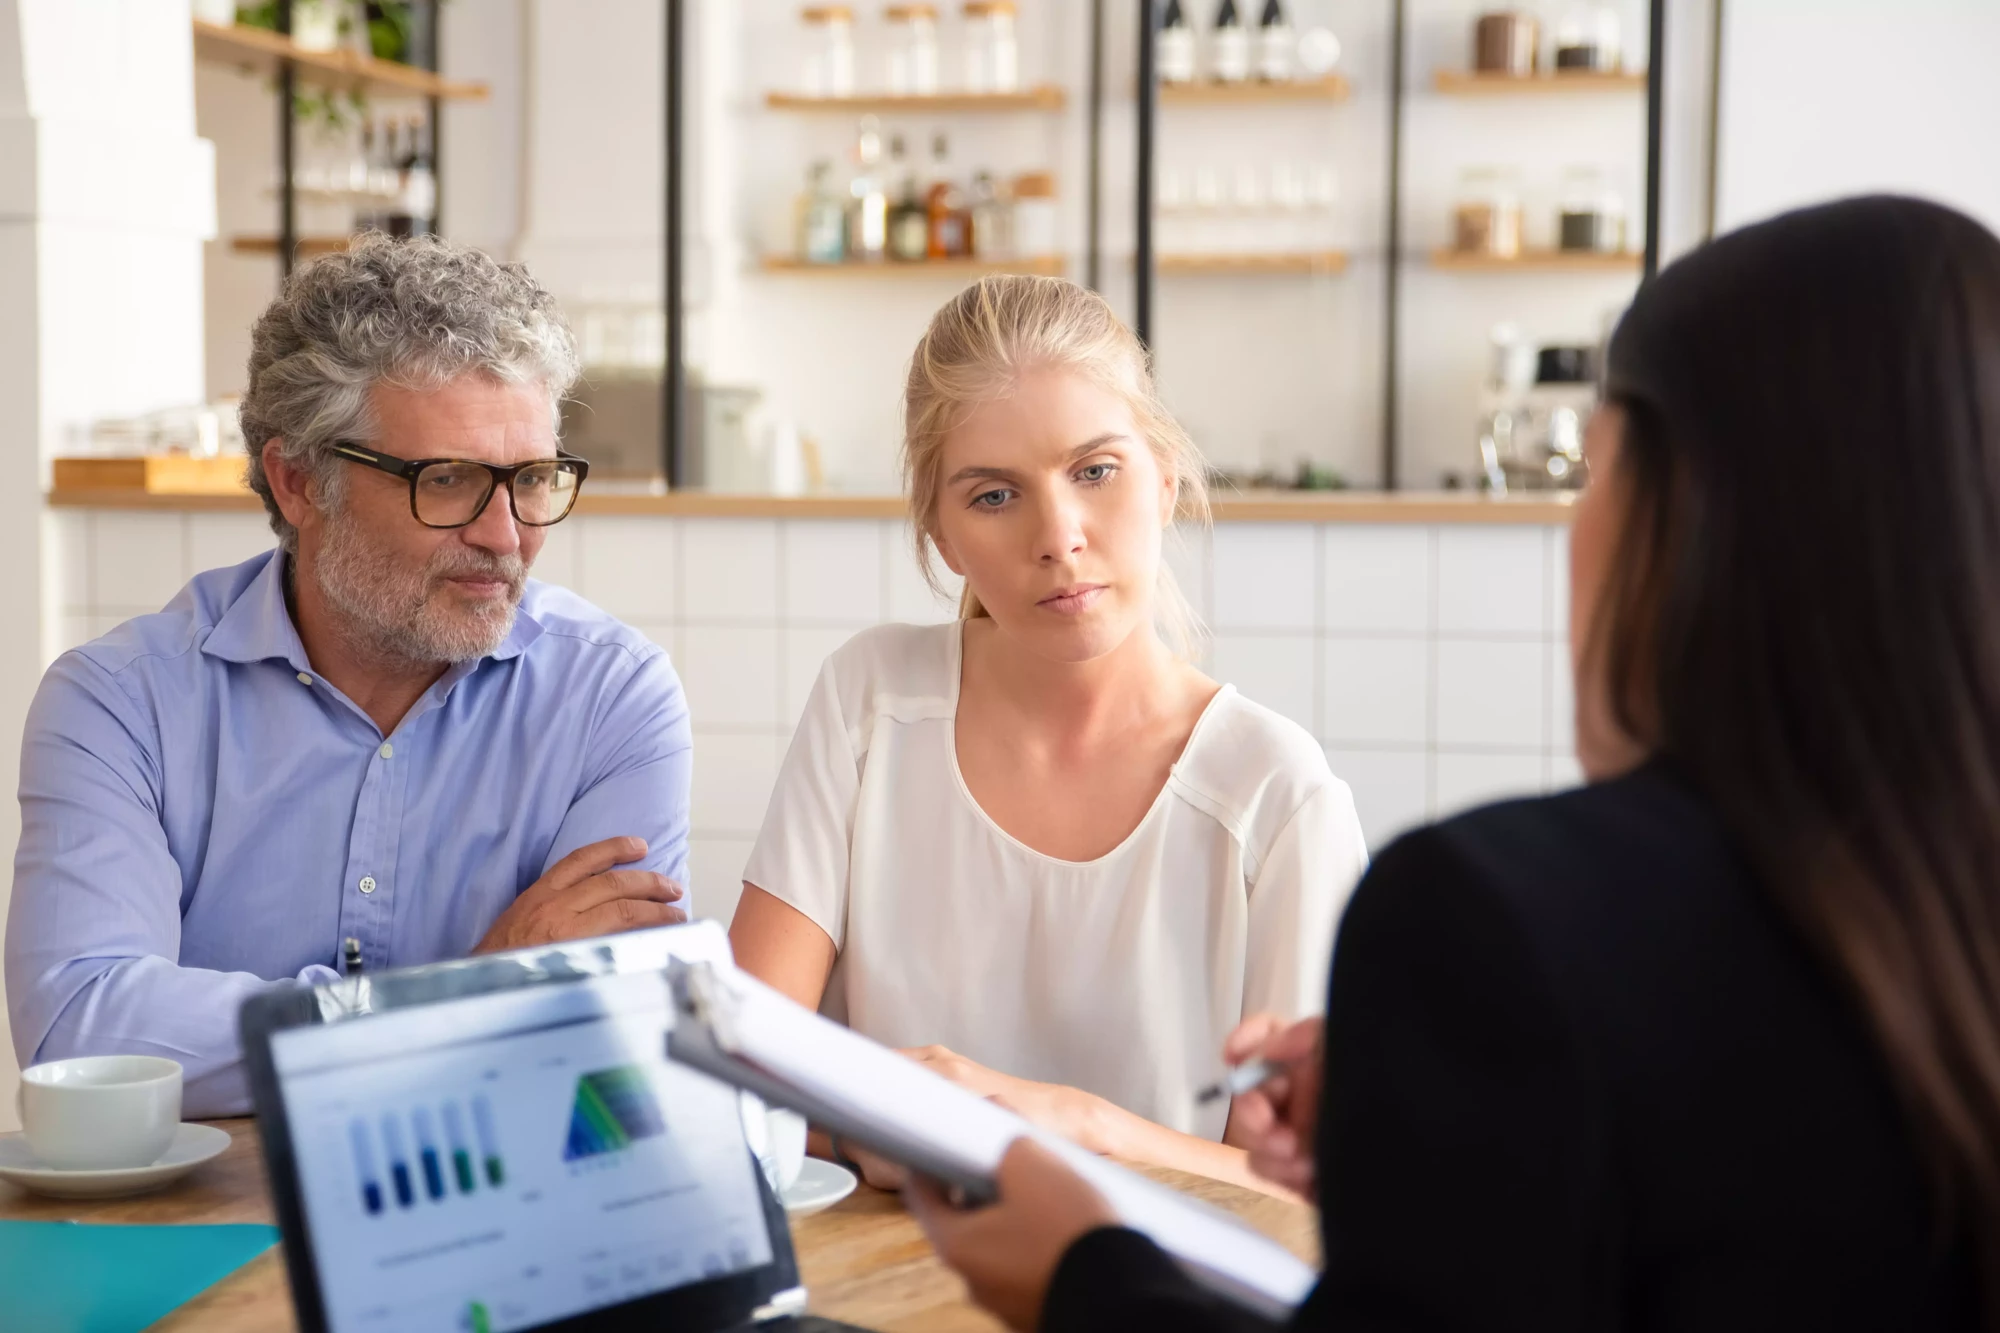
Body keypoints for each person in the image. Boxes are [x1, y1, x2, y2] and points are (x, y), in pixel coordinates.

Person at [909, 195, 2000, 1331]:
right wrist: (1444, 1163)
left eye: (1593, 472)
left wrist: (1085, 1272)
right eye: (993, 492)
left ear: (1684, 524)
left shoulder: (1484, 916)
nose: (1056, 534)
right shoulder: (1926, 926)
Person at [6, 236, 692, 1117]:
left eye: (532, 478)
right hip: (198, 1232)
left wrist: (360, 1028)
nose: (505, 533)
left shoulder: (611, 699)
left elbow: (610, 1036)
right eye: (446, 480)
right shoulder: (120, 705)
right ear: (298, 482)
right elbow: (82, 1030)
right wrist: (468, 997)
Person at [729, 276, 1368, 1191]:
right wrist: (867, 1134)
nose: (1058, 536)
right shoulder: (869, 700)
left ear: (1166, 478)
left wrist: (1081, 1125)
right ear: (942, 534)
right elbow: (743, 1068)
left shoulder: (1275, 794)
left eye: (1096, 472)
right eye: (994, 496)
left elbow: (1312, 1185)